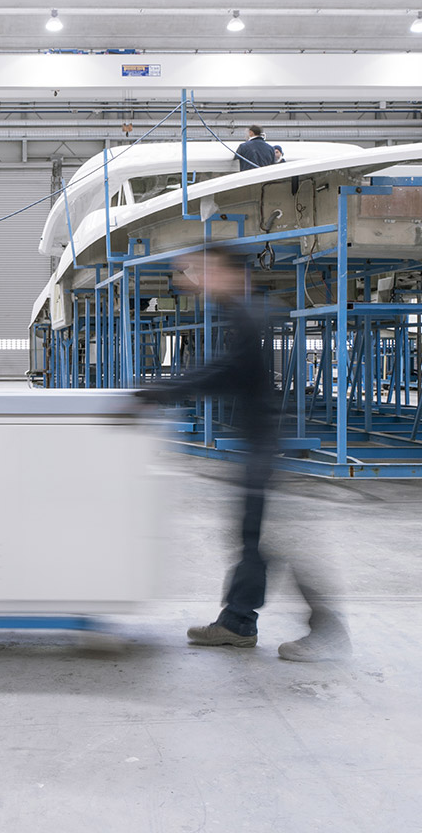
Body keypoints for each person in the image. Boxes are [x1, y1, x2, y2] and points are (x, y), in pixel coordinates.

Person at [136, 248, 349, 661]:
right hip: (258, 439)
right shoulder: (240, 310)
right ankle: (237, 621)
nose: (193, 279)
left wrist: (162, 392)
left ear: (226, 272)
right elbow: (222, 370)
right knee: (255, 537)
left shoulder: (248, 313)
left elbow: (226, 370)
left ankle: (327, 629)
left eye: (200, 270)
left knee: (270, 538)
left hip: (263, 441)